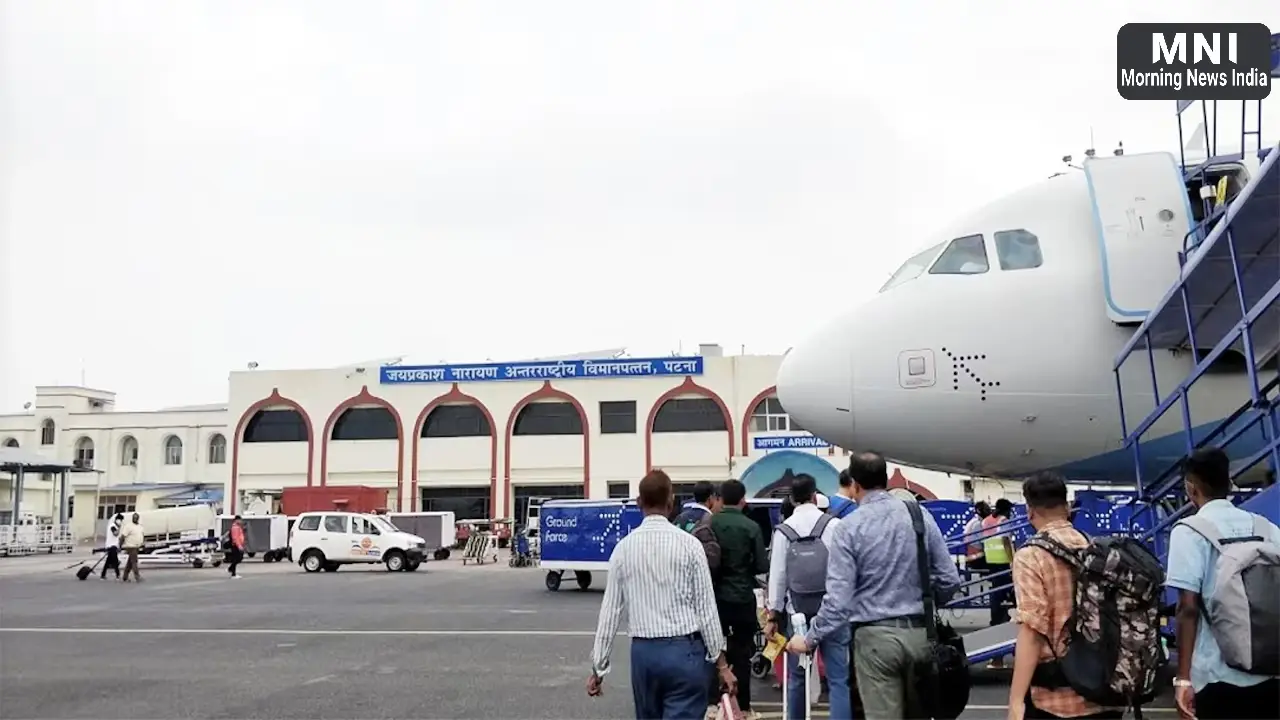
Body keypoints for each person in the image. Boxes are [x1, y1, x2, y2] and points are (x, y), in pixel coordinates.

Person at [786, 451, 960, 720]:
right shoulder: (919, 515)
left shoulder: (849, 528)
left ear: (854, 485)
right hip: (922, 636)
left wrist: (809, 639)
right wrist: (926, 600)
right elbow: (949, 579)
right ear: (887, 479)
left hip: (875, 641)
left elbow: (838, 601)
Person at [588, 469, 736, 720]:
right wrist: (721, 665)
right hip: (684, 653)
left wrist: (598, 668)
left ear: (638, 504)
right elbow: (706, 609)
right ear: (672, 502)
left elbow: (610, 613)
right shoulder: (690, 546)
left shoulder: (623, 549)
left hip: (644, 655)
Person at [1167, 447, 1280, 720]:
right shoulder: (1265, 527)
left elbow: (1188, 609)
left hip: (1217, 675)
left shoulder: (1188, 532)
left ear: (1190, 489)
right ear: (1229, 483)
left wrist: (1183, 679)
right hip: (1271, 669)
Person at [1007, 472, 1124, 720]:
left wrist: (1016, 701)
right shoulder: (1096, 548)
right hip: (1104, 692)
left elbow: (1032, 631)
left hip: (1056, 700)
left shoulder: (1031, 556)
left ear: (1029, 512)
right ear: (1068, 507)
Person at [764, 474, 850, 720]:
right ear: (815, 496)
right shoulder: (833, 525)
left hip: (797, 611)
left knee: (797, 677)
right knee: (838, 679)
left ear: (792, 499)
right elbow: (843, 571)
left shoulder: (784, 530)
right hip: (832, 611)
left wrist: (774, 614)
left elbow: (778, 576)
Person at [710, 479, 769, 719]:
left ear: (721, 499)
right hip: (743, 597)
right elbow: (761, 565)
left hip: (716, 599)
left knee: (714, 650)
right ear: (743, 500)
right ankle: (743, 706)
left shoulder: (710, 523)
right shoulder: (751, 527)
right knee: (742, 653)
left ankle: (714, 703)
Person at [983, 498, 1016, 669]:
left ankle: (997, 658)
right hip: (1004, 566)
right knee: (1013, 607)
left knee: (996, 608)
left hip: (991, 566)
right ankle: (1009, 654)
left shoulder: (986, 521)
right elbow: (1005, 541)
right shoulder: (1005, 521)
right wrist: (1013, 562)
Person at [673, 481, 722, 573]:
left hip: (678, 568)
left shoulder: (681, 517)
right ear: (711, 498)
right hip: (698, 570)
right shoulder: (710, 519)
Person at [119, 512, 144, 583]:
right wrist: (120, 546)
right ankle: (137, 577)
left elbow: (141, 535)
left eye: (136, 517)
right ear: (132, 518)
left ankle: (125, 577)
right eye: (134, 517)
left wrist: (142, 543)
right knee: (134, 561)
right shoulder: (128, 526)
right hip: (131, 546)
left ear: (138, 518)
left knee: (130, 563)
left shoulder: (140, 526)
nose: (135, 519)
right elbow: (123, 536)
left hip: (137, 547)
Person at [101, 513, 123, 581]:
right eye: (120, 520)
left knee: (108, 562)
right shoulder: (112, 526)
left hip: (113, 546)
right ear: (117, 520)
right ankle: (118, 575)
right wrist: (119, 528)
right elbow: (115, 534)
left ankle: (103, 575)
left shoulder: (115, 526)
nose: (121, 522)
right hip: (111, 546)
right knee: (115, 561)